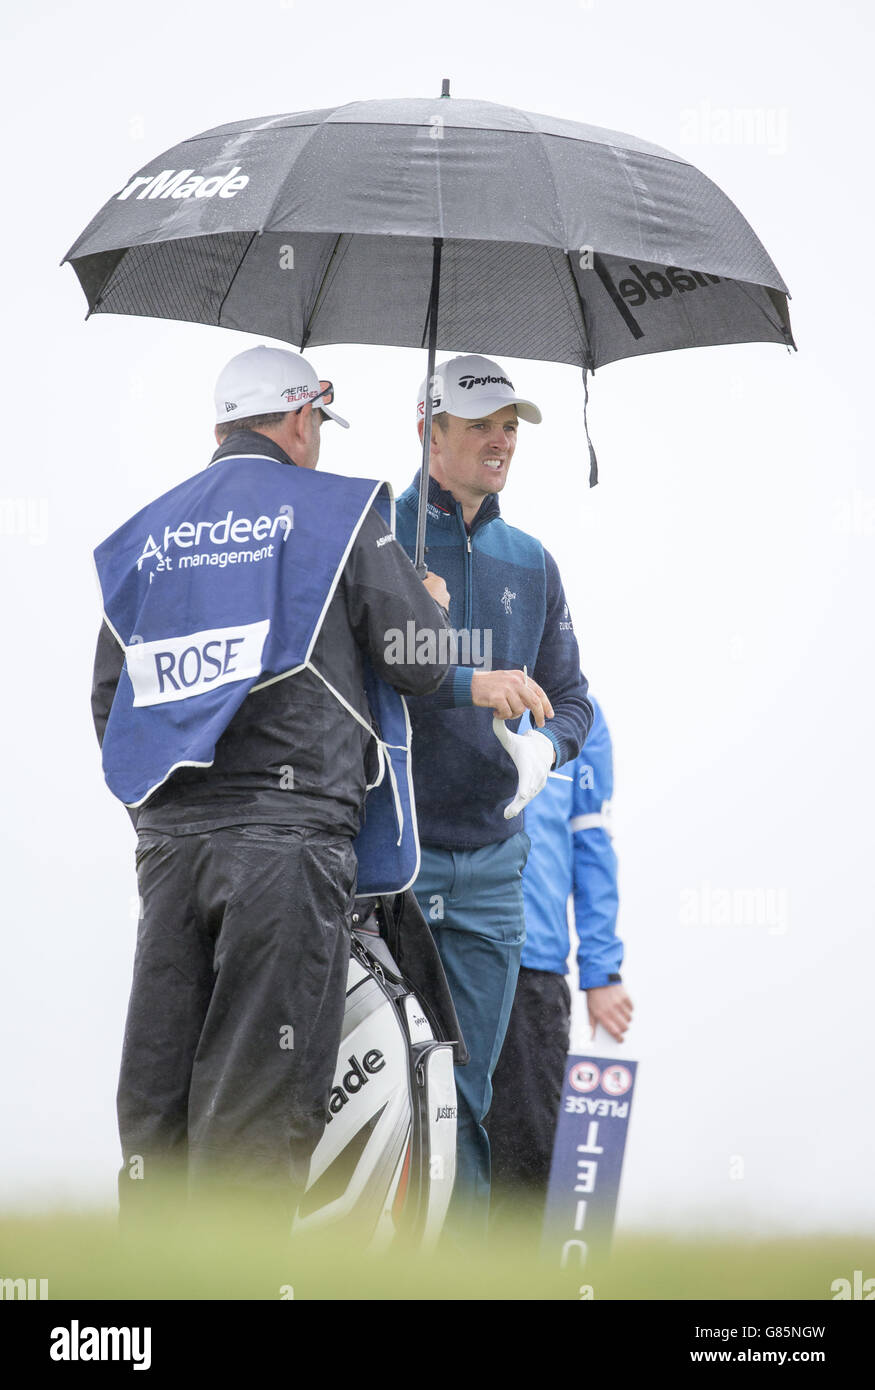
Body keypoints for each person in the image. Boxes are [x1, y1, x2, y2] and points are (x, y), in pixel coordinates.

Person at [90, 345, 452, 1224]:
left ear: (220, 428)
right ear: (298, 419)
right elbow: (421, 665)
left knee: (159, 1098)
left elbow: (110, 701)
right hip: (288, 849)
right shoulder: (340, 511)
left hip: (169, 849)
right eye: (317, 423)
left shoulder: (149, 533)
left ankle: (146, 1283)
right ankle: (240, 1282)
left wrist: (171, 815)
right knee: (256, 1103)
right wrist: (429, 605)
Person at [394, 353, 593, 1234]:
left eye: (509, 426)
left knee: (465, 1097)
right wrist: (423, 629)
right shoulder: (376, 537)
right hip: (388, 860)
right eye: (479, 425)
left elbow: (574, 697)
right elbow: (343, 677)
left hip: (490, 868)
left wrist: (547, 748)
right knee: (379, 1088)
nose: (500, 440)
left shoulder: (531, 561)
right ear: (428, 430)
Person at [486, 695, 633, 1228]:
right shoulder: (451, 686)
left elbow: (593, 845)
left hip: (535, 964)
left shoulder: (582, 715)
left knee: (526, 1150)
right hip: (439, 950)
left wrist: (602, 971)